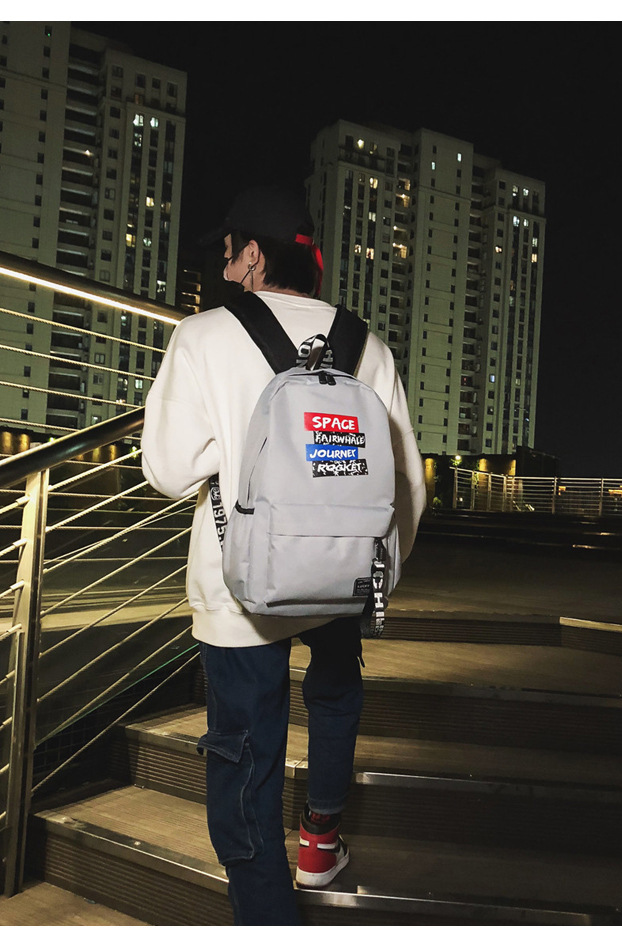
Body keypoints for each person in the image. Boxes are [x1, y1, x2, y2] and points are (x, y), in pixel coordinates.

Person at [141, 184, 426, 926]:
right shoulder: (368, 345)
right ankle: (321, 842)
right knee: (335, 692)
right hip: (340, 573)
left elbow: (167, 469)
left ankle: (266, 916)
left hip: (239, 584)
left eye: (228, 254)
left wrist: (238, 452)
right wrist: (375, 577)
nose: (224, 270)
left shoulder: (203, 336)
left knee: (244, 749)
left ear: (254, 255)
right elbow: (407, 484)